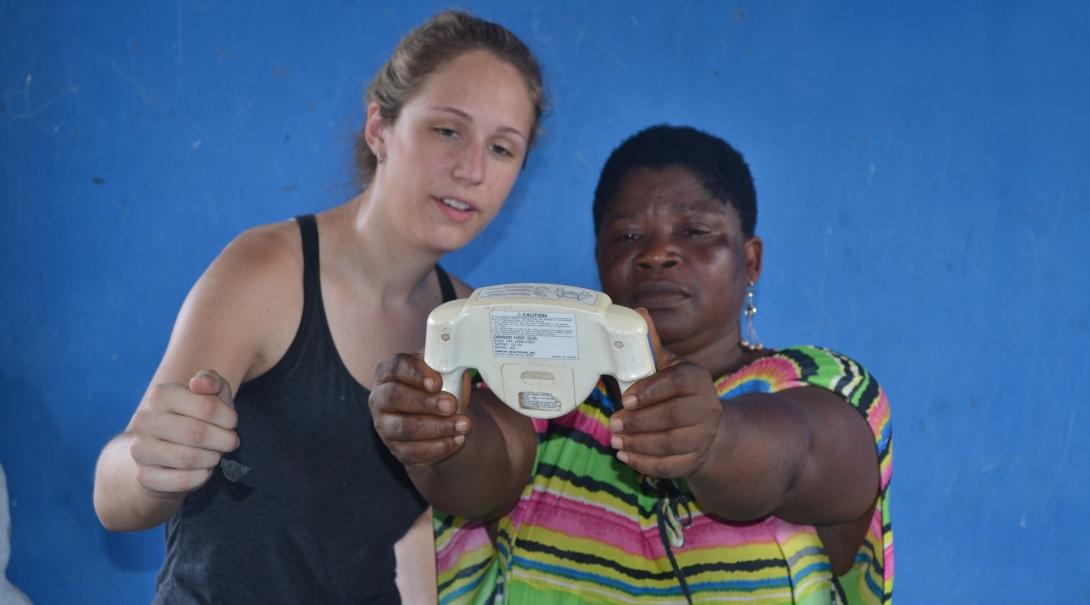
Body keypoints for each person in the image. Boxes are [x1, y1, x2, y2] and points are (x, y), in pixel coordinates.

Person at [91, 10, 545, 603]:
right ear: (379, 128)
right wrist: (155, 463)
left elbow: (416, 544)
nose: (472, 170)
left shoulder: (474, 321)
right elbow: (114, 495)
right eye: (447, 131)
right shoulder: (267, 270)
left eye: (503, 148)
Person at [370, 125, 893, 604]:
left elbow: (800, 455)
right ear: (599, 259)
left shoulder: (818, 385)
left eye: (694, 231)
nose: (658, 253)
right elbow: (483, 474)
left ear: (750, 259)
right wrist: (437, 433)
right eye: (627, 236)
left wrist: (712, 439)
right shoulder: (547, 386)